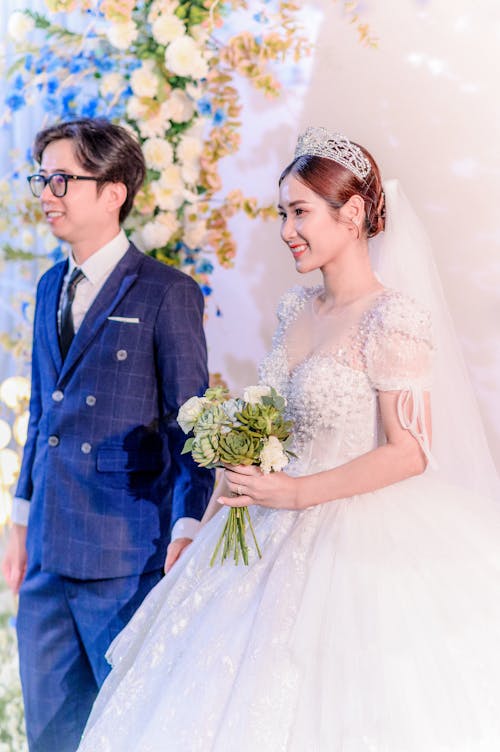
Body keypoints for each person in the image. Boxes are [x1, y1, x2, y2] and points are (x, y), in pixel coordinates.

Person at [77, 127, 500, 751]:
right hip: (259, 529)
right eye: (282, 213)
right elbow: (258, 430)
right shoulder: (295, 308)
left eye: (300, 211)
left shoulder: (395, 315)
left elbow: (410, 449)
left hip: (355, 539)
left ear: (351, 214)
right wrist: (201, 524)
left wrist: (298, 493)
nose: (286, 230)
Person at [0, 117, 214, 752]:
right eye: (43, 177)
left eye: (63, 178)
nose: (48, 192)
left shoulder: (166, 291)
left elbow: (191, 424)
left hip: (127, 556)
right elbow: (43, 415)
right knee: (51, 738)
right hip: (45, 556)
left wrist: (187, 527)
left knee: (130, 732)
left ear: (115, 190)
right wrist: (19, 524)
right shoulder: (47, 286)